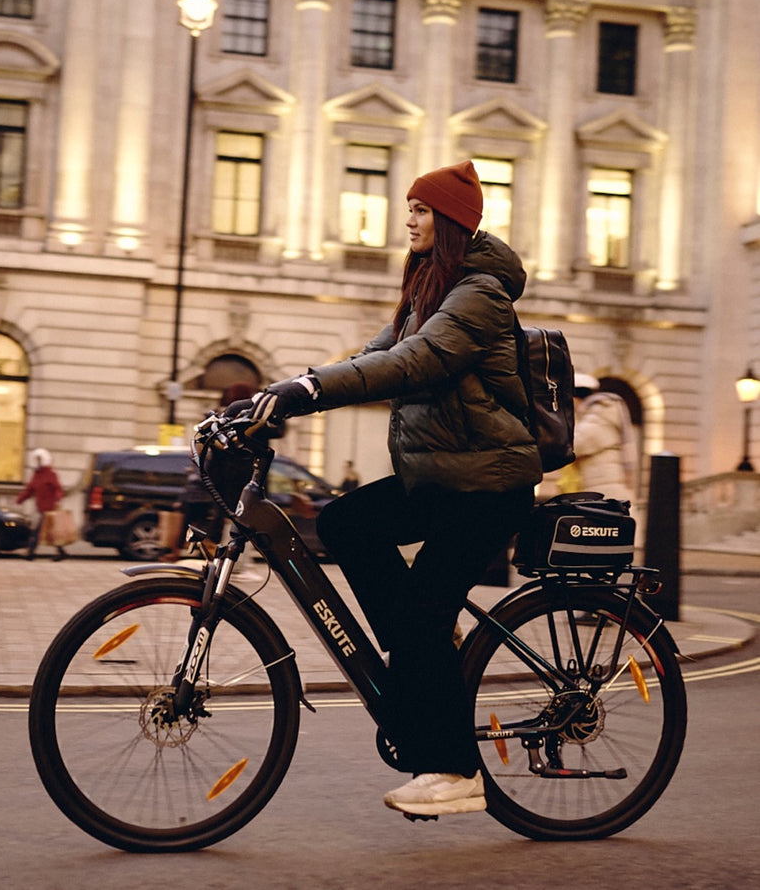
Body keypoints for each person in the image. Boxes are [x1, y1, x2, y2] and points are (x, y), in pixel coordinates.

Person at [226, 161, 542, 817]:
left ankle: (456, 770)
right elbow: (370, 359)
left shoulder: (479, 294)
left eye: (421, 210)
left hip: (489, 484)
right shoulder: (432, 291)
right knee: (345, 525)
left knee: (423, 615)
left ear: (451, 221)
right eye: (411, 208)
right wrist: (277, 397)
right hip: (443, 478)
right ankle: (422, 664)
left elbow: (413, 364)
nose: (409, 219)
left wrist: (304, 391)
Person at [160, 382, 258, 561]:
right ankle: (218, 550)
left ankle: (206, 549)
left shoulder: (218, 416)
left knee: (220, 513)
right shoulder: (247, 417)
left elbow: (203, 441)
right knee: (233, 514)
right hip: (237, 473)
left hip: (217, 474)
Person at [561, 373, 637, 503]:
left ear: (575, 398)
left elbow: (576, 444)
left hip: (605, 490)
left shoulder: (600, 413)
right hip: (600, 487)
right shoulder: (596, 413)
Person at [16, 447, 67, 561]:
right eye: (36, 459)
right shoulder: (36, 474)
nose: (37, 462)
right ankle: (61, 551)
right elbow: (30, 489)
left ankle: (31, 552)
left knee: (37, 531)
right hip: (41, 507)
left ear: (44, 460)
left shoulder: (51, 474)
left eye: (39, 459)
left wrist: (57, 499)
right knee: (52, 532)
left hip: (50, 508)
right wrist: (20, 499)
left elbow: (58, 488)